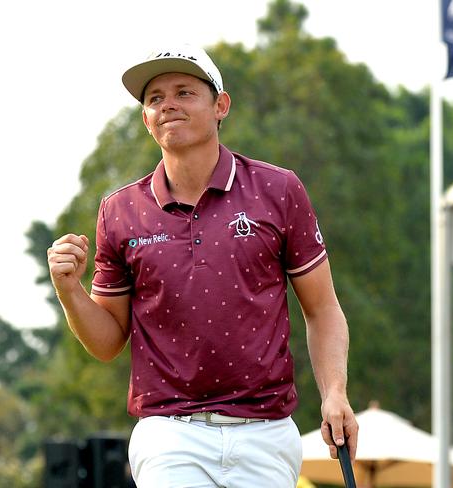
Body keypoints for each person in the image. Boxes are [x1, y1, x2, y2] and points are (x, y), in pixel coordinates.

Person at [47, 44, 358, 487]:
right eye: (154, 98)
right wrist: (69, 290)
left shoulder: (277, 189)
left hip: (265, 432)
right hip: (168, 432)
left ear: (220, 106)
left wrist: (335, 394)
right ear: (146, 120)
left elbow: (323, 309)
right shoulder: (119, 211)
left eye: (184, 92)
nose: (168, 104)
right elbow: (106, 342)